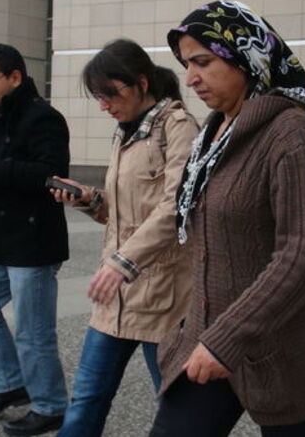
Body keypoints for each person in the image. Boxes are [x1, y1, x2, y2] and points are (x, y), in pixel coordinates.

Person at [149, 0, 305, 436]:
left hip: (284, 349)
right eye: (187, 64)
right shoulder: (213, 132)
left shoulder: (292, 135)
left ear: (246, 56)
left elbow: (302, 252)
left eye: (203, 62)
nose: (191, 78)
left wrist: (229, 340)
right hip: (205, 342)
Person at [48, 39, 199, 437]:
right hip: (113, 297)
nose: (104, 105)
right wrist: (88, 199)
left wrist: (123, 262)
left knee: (176, 408)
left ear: (141, 83)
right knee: (85, 402)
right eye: (99, 97)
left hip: (162, 296)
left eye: (109, 94)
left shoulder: (178, 126)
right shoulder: (124, 132)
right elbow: (121, 212)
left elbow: (176, 207)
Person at [0, 44, 70, 436]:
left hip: (35, 240)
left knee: (33, 331)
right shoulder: (0, 118)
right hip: (3, 240)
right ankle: (11, 384)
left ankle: (51, 406)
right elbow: (4, 172)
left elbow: (52, 173)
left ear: (15, 77)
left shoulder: (44, 117)